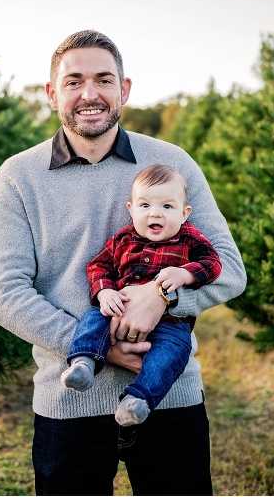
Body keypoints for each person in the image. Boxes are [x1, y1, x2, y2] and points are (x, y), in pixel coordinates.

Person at [0, 30, 246, 495]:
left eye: (104, 80)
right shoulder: (18, 177)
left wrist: (162, 296)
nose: (90, 94)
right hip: (69, 401)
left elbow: (229, 268)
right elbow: (4, 294)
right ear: (51, 93)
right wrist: (95, 349)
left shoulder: (172, 162)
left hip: (169, 398)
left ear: (124, 90)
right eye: (73, 81)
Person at [62, 164, 222, 428]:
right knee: (92, 319)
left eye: (167, 207)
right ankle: (83, 363)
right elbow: (98, 266)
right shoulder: (122, 240)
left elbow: (213, 263)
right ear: (131, 209)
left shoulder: (190, 239)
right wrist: (104, 292)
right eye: (145, 205)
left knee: (172, 354)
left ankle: (139, 400)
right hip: (119, 309)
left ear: (184, 214)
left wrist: (185, 275)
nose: (154, 214)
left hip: (171, 324)